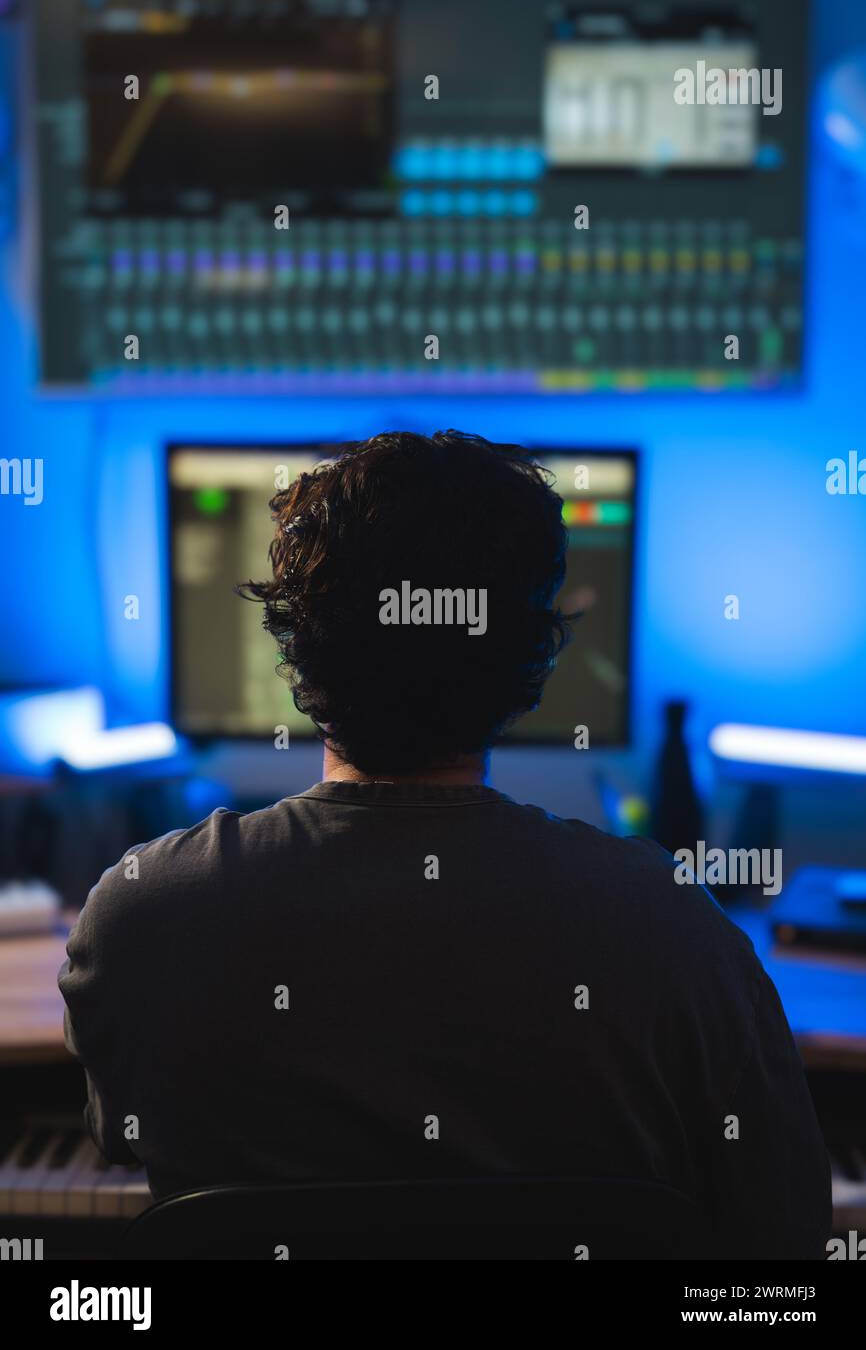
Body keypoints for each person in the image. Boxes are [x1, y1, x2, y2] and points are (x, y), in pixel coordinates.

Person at [59, 429, 831, 1258]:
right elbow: (782, 1246)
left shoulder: (141, 920)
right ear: (531, 661)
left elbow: (125, 1136)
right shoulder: (679, 934)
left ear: (294, 645)